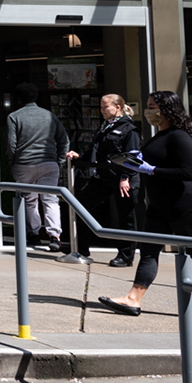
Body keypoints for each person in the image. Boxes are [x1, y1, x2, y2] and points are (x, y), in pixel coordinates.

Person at [97, 91, 192, 323]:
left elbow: (187, 172)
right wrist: (133, 160)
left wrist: (151, 170)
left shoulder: (179, 136)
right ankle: (134, 298)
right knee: (149, 250)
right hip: (159, 204)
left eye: (153, 106)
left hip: (183, 204)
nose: (149, 110)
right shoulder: (158, 136)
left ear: (167, 109)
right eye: (148, 105)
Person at [3, 83, 70, 252]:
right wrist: (59, 160)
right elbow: (64, 140)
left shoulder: (14, 117)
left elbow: (11, 145)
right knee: (50, 200)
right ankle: (55, 236)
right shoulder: (49, 116)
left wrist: (12, 162)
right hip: (48, 163)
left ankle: (33, 233)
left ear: (18, 99)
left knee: (29, 200)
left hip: (24, 164)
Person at [79, 94, 141, 267]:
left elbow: (132, 156)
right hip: (104, 176)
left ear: (117, 107)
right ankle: (82, 249)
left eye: (105, 107)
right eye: (101, 107)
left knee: (126, 217)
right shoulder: (105, 127)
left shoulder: (129, 129)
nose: (102, 111)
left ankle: (125, 256)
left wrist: (125, 177)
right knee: (81, 205)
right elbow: (97, 150)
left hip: (123, 178)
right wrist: (81, 156)